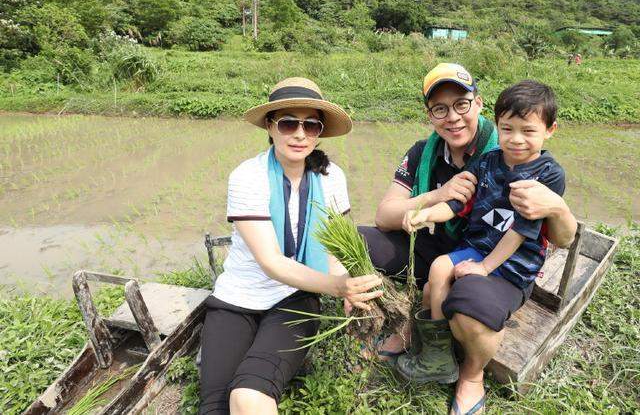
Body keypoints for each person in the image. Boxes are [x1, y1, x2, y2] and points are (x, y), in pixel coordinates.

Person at [359, 63, 577, 413]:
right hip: (456, 246)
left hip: (499, 259)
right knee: (378, 248)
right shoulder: (431, 153)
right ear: (429, 114)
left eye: (461, 104)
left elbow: (538, 233)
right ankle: (433, 348)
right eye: (440, 109)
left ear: (478, 104)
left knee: (464, 305)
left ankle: (469, 374)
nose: (453, 117)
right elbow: (393, 215)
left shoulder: (534, 169)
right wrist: (431, 201)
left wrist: (557, 209)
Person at [199, 77, 383, 415]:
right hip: (237, 298)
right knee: (214, 407)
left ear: (320, 131)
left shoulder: (331, 178)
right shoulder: (247, 175)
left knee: (249, 395)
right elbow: (270, 262)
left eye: (311, 125)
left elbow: (335, 244)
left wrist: (347, 284)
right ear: (270, 126)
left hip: (295, 299)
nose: (300, 134)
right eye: (288, 123)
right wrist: (338, 287)